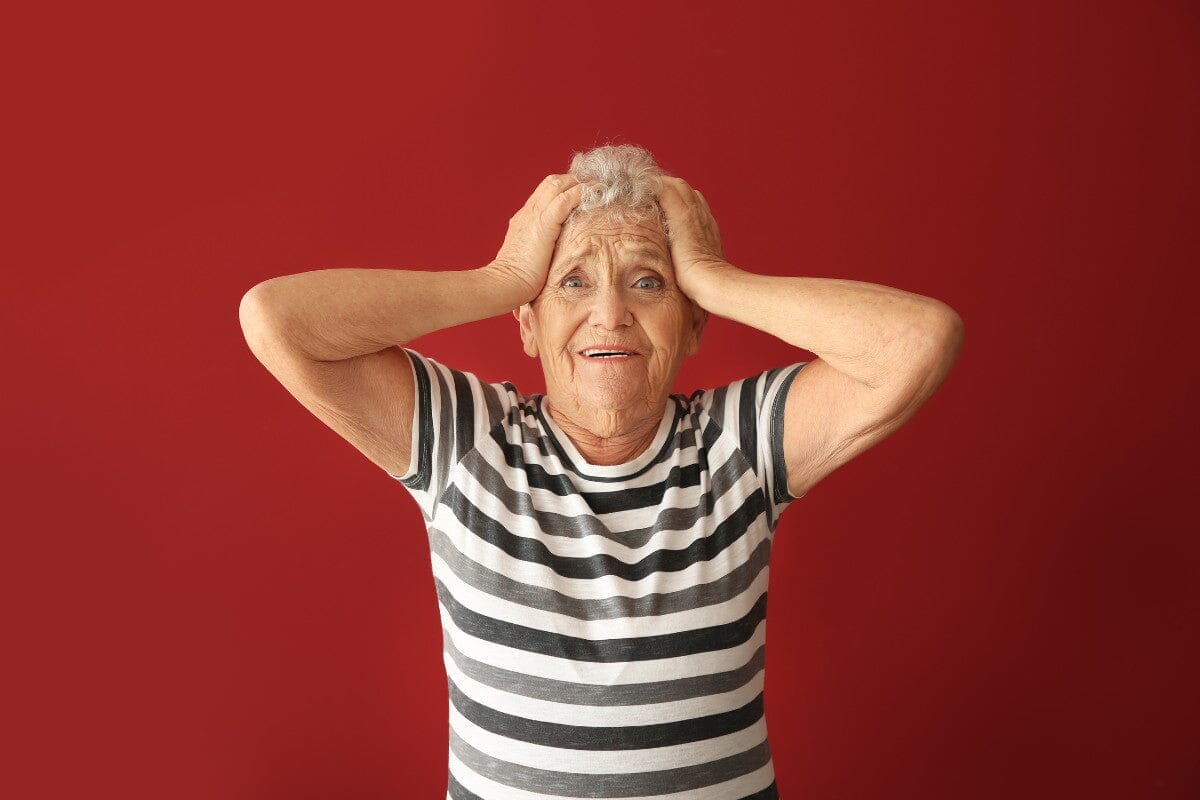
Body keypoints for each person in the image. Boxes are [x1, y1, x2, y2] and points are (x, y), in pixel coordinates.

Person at [239, 144, 964, 799]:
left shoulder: (736, 445)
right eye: (574, 284)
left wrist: (713, 275)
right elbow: (275, 319)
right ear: (527, 322)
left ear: (694, 322)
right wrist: (504, 277)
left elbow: (919, 341)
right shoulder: (468, 441)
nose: (609, 315)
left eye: (648, 284)